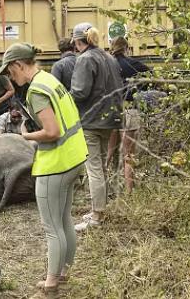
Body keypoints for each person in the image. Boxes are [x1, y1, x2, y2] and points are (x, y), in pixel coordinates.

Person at [0, 43, 88, 297]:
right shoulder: (49, 80)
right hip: (75, 156)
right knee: (65, 218)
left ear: (18, 65)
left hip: (56, 163)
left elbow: (51, 131)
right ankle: (63, 272)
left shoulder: (36, 90)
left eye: (9, 72)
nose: (10, 78)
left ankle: (51, 283)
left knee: (51, 226)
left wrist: (26, 135)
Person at [69, 23, 124, 232]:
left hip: (91, 120)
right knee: (100, 165)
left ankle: (96, 216)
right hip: (110, 119)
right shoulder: (109, 57)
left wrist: (66, 97)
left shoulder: (85, 59)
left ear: (76, 41)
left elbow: (80, 92)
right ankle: (99, 210)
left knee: (93, 168)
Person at [106, 37, 150, 194]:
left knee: (109, 151)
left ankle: (101, 187)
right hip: (130, 109)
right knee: (128, 154)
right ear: (126, 48)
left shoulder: (106, 64)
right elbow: (152, 78)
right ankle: (129, 192)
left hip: (111, 110)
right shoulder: (133, 64)